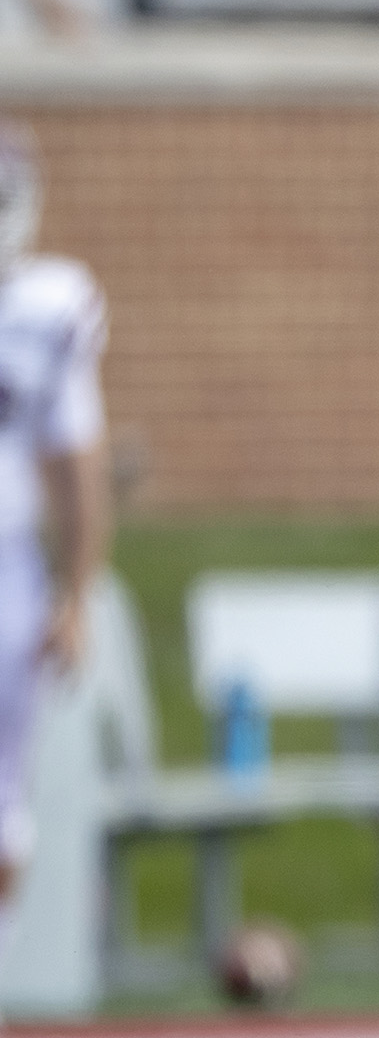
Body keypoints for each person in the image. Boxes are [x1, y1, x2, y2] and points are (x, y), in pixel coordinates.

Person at [0, 121, 112, 973]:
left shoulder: (45, 306)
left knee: (3, 809)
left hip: (8, 567)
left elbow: (78, 459)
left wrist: (77, 595)